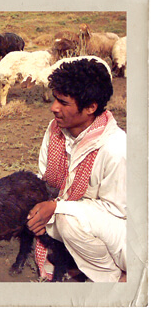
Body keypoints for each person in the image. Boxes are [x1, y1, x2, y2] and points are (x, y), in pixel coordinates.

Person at [26, 58, 126, 282]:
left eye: (63, 102)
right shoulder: (56, 131)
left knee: (67, 219)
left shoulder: (115, 148)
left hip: (125, 234)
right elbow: (47, 179)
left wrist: (56, 207)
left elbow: (117, 211)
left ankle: (116, 280)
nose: (54, 108)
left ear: (91, 107)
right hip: (84, 220)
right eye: (54, 100)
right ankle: (73, 262)